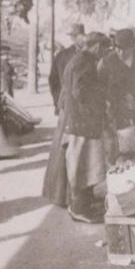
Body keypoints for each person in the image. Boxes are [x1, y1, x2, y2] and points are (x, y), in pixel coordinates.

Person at [63, 32, 110, 223]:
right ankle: (78, 209)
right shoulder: (85, 62)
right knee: (83, 167)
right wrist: (99, 106)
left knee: (89, 167)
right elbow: (79, 92)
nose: (105, 53)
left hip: (82, 123)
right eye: (105, 49)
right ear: (97, 46)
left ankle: (85, 205)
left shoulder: (79, 59)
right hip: (84, 124)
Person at [42, 23, 86, 207]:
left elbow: (53, 81)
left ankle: (72, 195)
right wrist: (59, 103)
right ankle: (64, 195)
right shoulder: (64, 56)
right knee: (67, 150)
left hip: (75, 108)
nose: (79, 38)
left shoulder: (70, 55)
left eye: (80, 35)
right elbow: (53, 81)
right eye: (77, 35)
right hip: (69, 109)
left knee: (73, 150)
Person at [99, 28, 135, 157]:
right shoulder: (107, 61)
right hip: (118, 112)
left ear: (132, 47)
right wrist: (120, 100)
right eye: (117, 48)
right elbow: (101, 88)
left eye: (124, 49)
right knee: (124, 151)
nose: (120, 52)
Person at [48, 23, 86, 115]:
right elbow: (53, 80)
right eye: (78, 36)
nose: (82, 39)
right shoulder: (62, 56)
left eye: (82, 36)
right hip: (66, 104)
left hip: (85, 106)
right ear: (73, 38)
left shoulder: (89, 55)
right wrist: (58, 101)